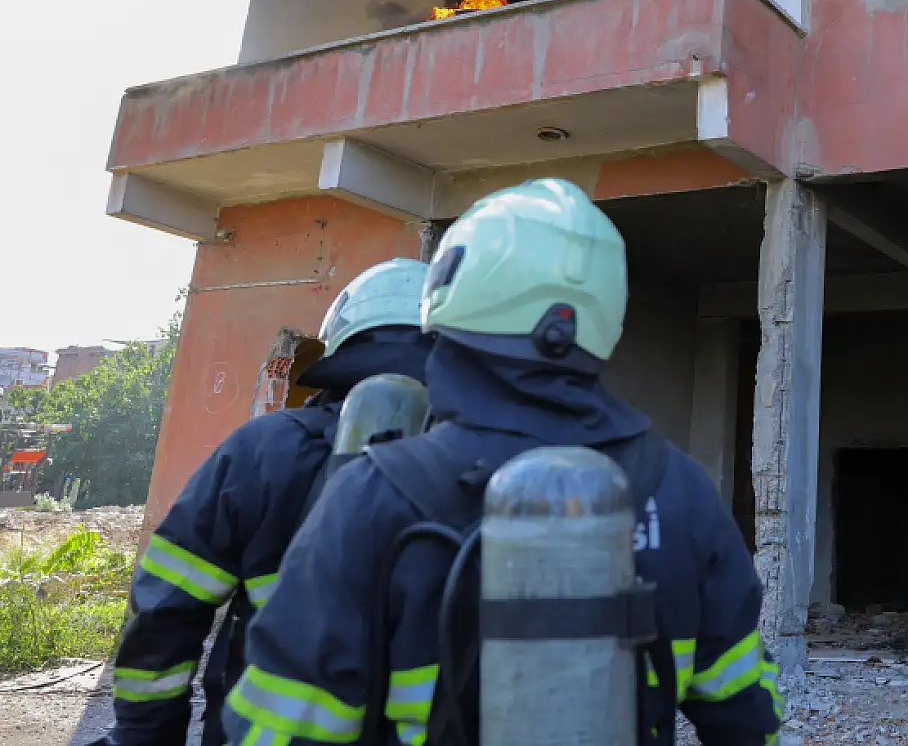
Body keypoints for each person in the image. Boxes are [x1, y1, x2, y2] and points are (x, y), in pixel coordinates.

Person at [225, 179, 781, 746]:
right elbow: (745, 716)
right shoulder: (682, 492)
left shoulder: (372, 493)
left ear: (454, 293)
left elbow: (280, 727)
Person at [99, 258, 433, 746]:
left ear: (339, 338)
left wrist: (144, 735)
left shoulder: (262, 451)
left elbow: (165, 611)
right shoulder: (479, 460)